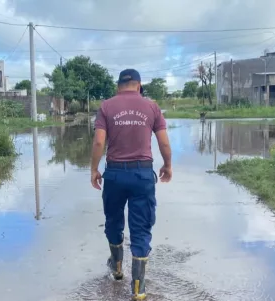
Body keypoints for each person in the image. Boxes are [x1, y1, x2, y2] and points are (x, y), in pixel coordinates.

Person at [91, 69, 172, 300]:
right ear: (139, 85)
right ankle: (138, 288)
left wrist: (94, 169)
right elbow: (164, 142)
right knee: (141, 229)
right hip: (142, 175)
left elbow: (99, 141)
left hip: (115, 174)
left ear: (119, 86)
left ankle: (117, 270)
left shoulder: (106, 106)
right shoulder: (152, 107)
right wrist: (167, 165)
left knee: (113, 221)